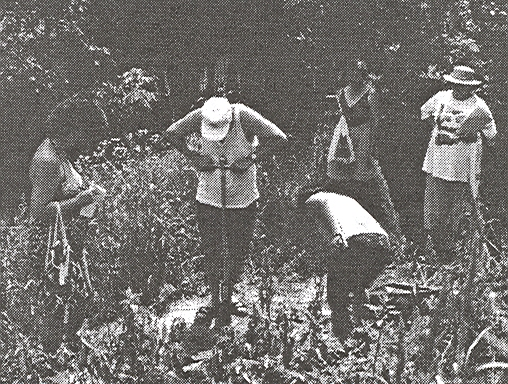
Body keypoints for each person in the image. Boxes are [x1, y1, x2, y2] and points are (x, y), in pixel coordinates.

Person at [164, 96, 287, 325]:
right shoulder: (202, 115)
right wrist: (194, 157)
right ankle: (214, 299)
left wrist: (251, 158)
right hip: (208, 196)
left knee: (237, 250)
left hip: (242, 198)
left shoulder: (243, 116)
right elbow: (172, 133)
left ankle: (227, 299)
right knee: (212, 250)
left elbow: (278, 138)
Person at [29, 101, 105, 352]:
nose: (86, 143)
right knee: (57, 301)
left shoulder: (61, 153)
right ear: (73, 130)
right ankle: (50, 357)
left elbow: (61, 193)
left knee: (82, 296)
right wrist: (80, 201)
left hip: (70, 240)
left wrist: (84, 195)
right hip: (53, 246)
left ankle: (70, 344)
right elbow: (38, 212)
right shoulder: (47, 160)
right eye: (86, 135)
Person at [324, 60, 403, 247]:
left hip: (364, 134)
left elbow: (375, 120)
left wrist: (372, 145)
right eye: (350, 72)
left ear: (363, 73)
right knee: (342, 173)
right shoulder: (342, 92)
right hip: (346, 134)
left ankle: (383, 223)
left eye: (357, 72)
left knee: (365, 174)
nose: (353, 76)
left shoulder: (370, 92)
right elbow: (343, 115)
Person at [420, 65, 496, 260]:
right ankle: (435, 251)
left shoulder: (479, 106)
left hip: (463, 165)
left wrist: (473, 132)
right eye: (456, 84)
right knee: (435, 207)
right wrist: (436, 130)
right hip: (438, 161)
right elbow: (424, 112)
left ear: (472, 87)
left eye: (464, 86)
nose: (459, 89)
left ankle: (458, 253)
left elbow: (492, 135)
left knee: (460, 207)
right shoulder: (441, 97)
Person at [305, 191, 392, 340]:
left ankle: (342, 339)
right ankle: (363, 334)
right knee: (358, 288)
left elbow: (325, 206)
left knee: (337, 296)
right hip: (382, 243)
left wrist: (336, 235)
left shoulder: (314, 198)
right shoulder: (345, 198)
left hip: (356, 241)